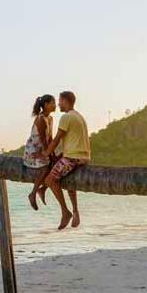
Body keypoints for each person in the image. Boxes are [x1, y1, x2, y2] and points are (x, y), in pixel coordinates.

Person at [42, 91, 91, 230]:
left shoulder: (66, 117)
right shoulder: (79, 116)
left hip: (72, 158)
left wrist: (46, 153)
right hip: (83, 157)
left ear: (65, 101)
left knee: (49, 180)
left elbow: (57, 139)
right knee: (69, 181)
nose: (58, 104)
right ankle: (75, 211)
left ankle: (65, 212)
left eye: (60, 101)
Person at [23, 94, 56, 211]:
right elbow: (43, 139)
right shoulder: (41, 119)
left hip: (43, 149)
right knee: (46, 167)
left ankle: (43, 189)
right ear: (46, 105)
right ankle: (33, 193)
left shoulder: (50, 118)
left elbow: (50, 138)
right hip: (33, 151)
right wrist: (48, 155)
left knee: (56, 164)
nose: (55, 105)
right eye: (52, 103)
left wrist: (53, 153)